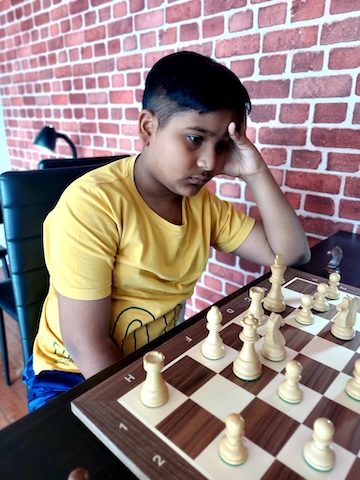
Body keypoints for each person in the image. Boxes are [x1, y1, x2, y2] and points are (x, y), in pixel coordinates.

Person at [23, 51, 310, 411]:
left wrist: (255, 171)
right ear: (147, 127)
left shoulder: (203, 206)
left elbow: (292, 256)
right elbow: (85, 343)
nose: (209, 162)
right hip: (70, 375)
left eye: (222, 145)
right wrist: (145, 411)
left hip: (155, 359)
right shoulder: (93, 205)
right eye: (194, 139)